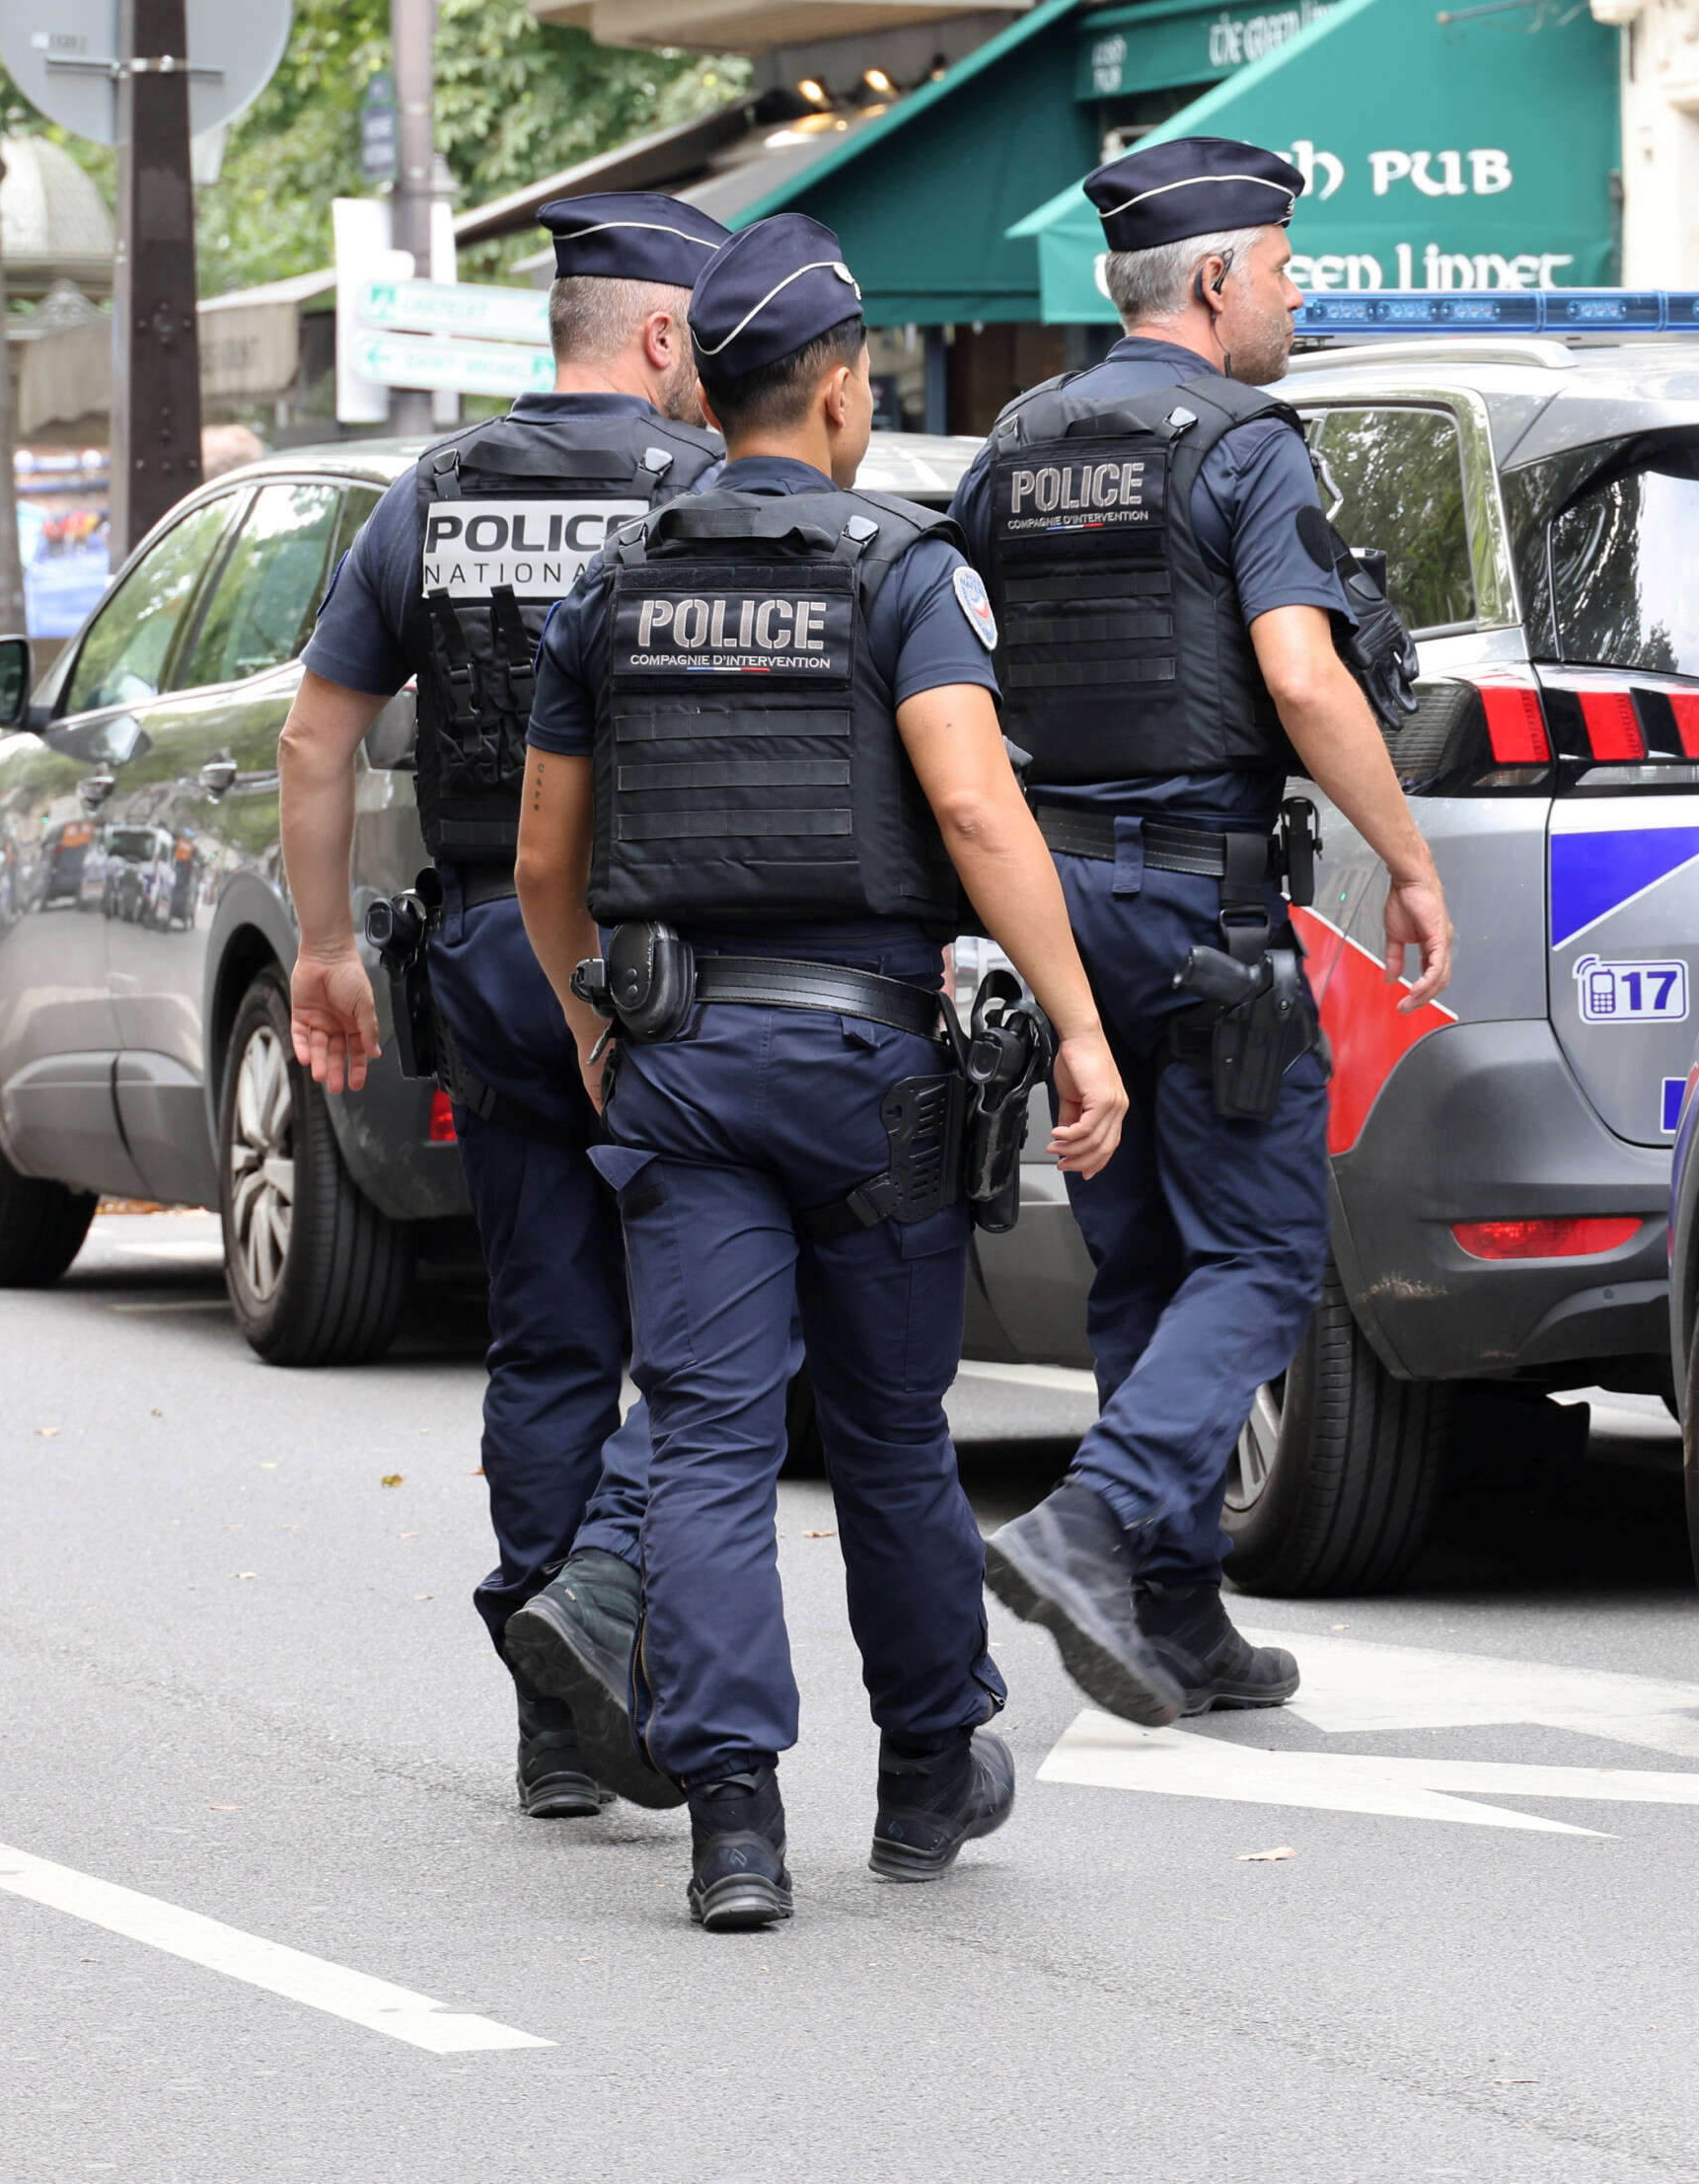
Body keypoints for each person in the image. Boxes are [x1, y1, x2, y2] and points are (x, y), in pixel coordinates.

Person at [514, 212, 1127, 1932]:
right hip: (865, 1068)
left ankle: (732, 1823)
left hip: (684, 1058)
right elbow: (972, 805)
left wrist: (587, 1014)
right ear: (843, 390)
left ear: (704, 390)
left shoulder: (617, 583)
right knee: (886, 1434)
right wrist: (1077, 1024)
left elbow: (545, 856)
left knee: (708, 1434)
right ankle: (930, 1771)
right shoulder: (901, 570)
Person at [955, 135, 1446, 1727]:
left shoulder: (1012, 447)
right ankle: (1100, 1525)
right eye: (1288, 271)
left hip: (1057, 906)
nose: (1296, 301)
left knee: (1138, 1254)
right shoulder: (1248, 446)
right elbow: (1302, 676)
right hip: (1202, 901)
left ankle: (1172, 1611)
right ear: (1221, 277)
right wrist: (1407, 856)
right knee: (1260, 1247)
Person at [277, 192, 731, 1822]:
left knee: (545, 1334)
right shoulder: (703, 491)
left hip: (485, 953)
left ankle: (552, 1720)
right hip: (676, 970)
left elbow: (315, 740)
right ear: (667, 336)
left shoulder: (437, 490)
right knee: (713, 1319)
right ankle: (612, 1620)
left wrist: (326, 944)